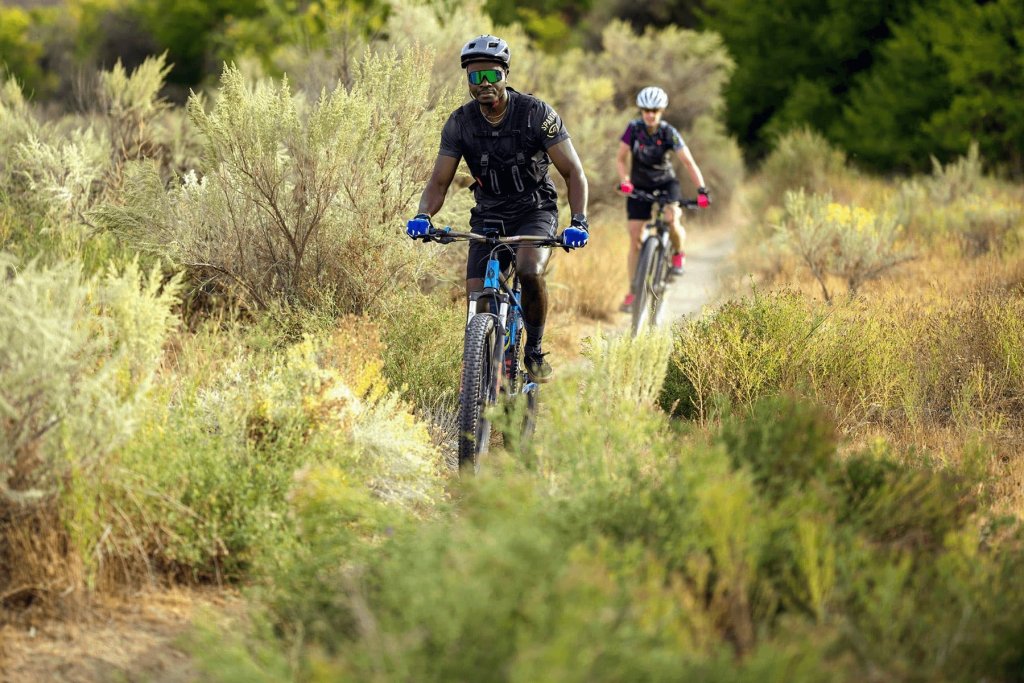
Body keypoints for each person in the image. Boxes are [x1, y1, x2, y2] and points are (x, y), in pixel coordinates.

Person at [406, 34, 589, 382]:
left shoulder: (537, 114)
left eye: (492, 75)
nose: (484, 84)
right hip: (488, 214)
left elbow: (573, 172)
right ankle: (483, 380)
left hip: (534, 209)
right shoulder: (459, 123)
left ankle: (533, 352)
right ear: (469, 81)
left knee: (529, 270)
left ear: (505, 73)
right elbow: (439, 181)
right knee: (478, 297)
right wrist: (423, 215)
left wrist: (579, 221)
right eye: (476, 77)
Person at [616, 86, 709, 312]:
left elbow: (688, 162)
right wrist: (625, 180)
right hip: (639, 185)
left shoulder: (669, 132)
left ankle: (678, 253)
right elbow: (620, 158)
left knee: (671, 218)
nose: (650, 114)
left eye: (655, 110)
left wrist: (702, 190)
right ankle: (633, 291)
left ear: (662, 111)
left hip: (666, 183)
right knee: (635, 237)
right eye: (646, 110)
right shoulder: (633, 129)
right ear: (641, 110)